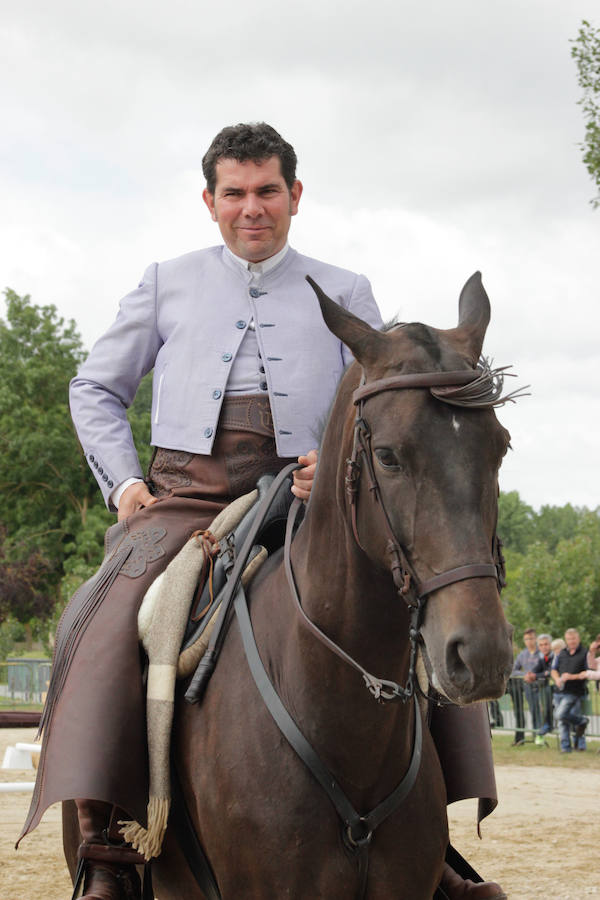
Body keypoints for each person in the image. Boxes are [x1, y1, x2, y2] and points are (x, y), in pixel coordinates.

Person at [19, 123, 505, 900]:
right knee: (113, 611)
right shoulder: (163, 281)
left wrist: (330, 457)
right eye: (236, 194)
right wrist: (123, 484)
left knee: (411, 595)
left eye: (267, 192)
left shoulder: (347, 290)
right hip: (188, 495)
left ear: (294, 196)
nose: (253, 208)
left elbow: (384, 412)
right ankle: (109, 842)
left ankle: (433, 847)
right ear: (210, 201)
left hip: (311, 498)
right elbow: (94, 389)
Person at [551, 628, 589, 753]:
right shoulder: (562, 653)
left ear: (578, 639)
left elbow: (588, 672)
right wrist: (557, 678)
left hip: (574, 692)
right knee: (562, 722)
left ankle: (580, 739)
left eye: (573, 638)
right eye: (569, 639)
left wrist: (572, 676)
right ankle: (566, 747)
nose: (571, 641)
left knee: (560, 715)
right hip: (559, 691)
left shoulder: (584, 653)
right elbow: (554, 669)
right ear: (566, 640)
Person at [510, 628, 542, 745]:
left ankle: (539, 736)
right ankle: (531, 736)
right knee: (532, 710)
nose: (529, 641)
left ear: (536, 639)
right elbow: (513, 670)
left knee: (539, 712)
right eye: (527, 639)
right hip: (528, 687)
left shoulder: (542, 652)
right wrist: (525, 675)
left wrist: (535, 675)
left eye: (531, 638)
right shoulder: (523, 654)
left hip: (541, 686)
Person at [532, 633, 555, 739]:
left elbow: (549, 672)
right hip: (547, 688)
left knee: (546, 697)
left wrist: (536, 675)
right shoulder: (542, 657)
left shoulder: (555, 655)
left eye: (546, 644)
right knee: (543, 703)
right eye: (541, 645)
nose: (544, 647)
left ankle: (548, 725)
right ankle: (546, 725)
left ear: (551, 644)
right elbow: (536, 670)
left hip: (560, 688)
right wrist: (530, 675)